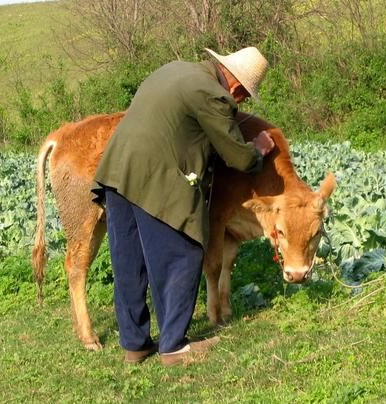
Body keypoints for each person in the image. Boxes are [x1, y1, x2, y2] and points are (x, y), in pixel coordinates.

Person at [91, 46, 275, 367]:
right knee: (184, 251)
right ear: (237, 87)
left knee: (129, 261)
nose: (241, 103)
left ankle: (135, 345)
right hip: (154, 176)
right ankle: (174, 347)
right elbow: (238, 156)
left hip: (118, 170)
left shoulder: (174, 69)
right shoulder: (213, 95)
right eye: (244, 96)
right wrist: (258, 148)